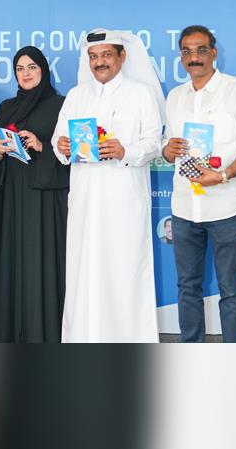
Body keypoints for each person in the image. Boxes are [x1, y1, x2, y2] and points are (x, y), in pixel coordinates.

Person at [51, 29, 165, 342]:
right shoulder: (77, 95)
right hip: (86, 200)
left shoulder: (141, 93)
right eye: (93, 56)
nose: (99, 62)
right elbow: (58, 139)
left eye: (106, 55)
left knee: (124, 270)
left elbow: (154, 143)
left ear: (122, 56)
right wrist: (61, 146)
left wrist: (125, 151)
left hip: (124, 199)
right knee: (84, 270)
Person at [162, 25, 236, 343]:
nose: (194, 58)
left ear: (214, 52)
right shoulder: (175, 97)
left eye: (201, 50)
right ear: (181, 56)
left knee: (230, 289)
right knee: (187, 286)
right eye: (187, 52)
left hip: (226, 206)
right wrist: (167, 150)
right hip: (184, 208)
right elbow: (167, 145)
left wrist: (222, 175)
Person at [0, 46, 69, 343]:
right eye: (20, 68)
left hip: (44, 200)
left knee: (42, 264)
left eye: (32, 67)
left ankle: (45, 334)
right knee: (10, 265)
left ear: (43, 70)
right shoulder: (6, 107)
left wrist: (41, 146)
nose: (25, 73)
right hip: (11, 200)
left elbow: (71, 153)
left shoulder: (61, 105)